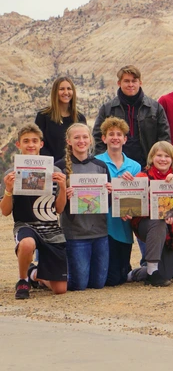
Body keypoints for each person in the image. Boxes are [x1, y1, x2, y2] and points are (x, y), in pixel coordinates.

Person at [1, 124, 68, 299]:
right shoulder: (11, 173)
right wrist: (8, 189)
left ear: (41, 144)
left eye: (34, 141)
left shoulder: (55, 171)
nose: (30, 144)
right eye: (26, 141)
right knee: (27, 243)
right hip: (25, 225)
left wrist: (62, 186)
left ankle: (33, 273)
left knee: (60, 289)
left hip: (51, 227)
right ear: (18, 145)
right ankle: (23, 280)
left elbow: (59, 209)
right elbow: (5, 211)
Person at [55, 123, 112, 291]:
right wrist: (64, 194)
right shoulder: (60, 167)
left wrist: (109, 192)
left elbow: (106, 205)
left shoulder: (101, 166)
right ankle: (41, 276)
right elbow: (57, 207)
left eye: (85, 137)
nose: (81, 141)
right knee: (79, 285)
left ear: (90, 140)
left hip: (100, 233)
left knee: (98, 284)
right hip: (75, 234)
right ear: (69, 141)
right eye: (77, 137)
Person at [93, 65, 171, 168]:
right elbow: (98, 137)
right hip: (116, 166)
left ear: (140, 83)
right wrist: (105, 164)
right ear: (119, 83)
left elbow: (164, 138)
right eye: (126, 81)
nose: (130, 84)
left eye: (134, 81)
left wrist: (157, 163)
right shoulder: (108, 109)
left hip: (147, 166)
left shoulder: (155, 108)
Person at [127, 141, 173, 286]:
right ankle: (151, 270)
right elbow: (130, 206)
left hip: (171, 231)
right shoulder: (141, 177)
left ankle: (137, 273)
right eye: (159, 155)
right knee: (159, 220)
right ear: (152, 157)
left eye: (167, 156)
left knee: (166, 275)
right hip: (147, 225)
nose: (163, 159)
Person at [95, 117, 141, 286]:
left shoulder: (134, 167)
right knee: (110, 280)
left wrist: (129, 185)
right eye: (111, 134)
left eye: (119, 134)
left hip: (124, 228)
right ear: (104, 138)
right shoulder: (96, 163)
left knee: (120, 278)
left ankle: (134, 271)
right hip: (103, 228)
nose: (115, 137)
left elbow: (138, 198)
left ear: (125, 139)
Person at [35, 76, 87, 162]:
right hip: (50, 166)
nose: (66, 92)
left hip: (74, 166)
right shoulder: (43, 116)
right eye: (62, 89)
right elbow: (39, 143)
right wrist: (53, 164)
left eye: (69, 89)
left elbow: (83, 143)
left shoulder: (80, 118)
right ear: (55, 92)